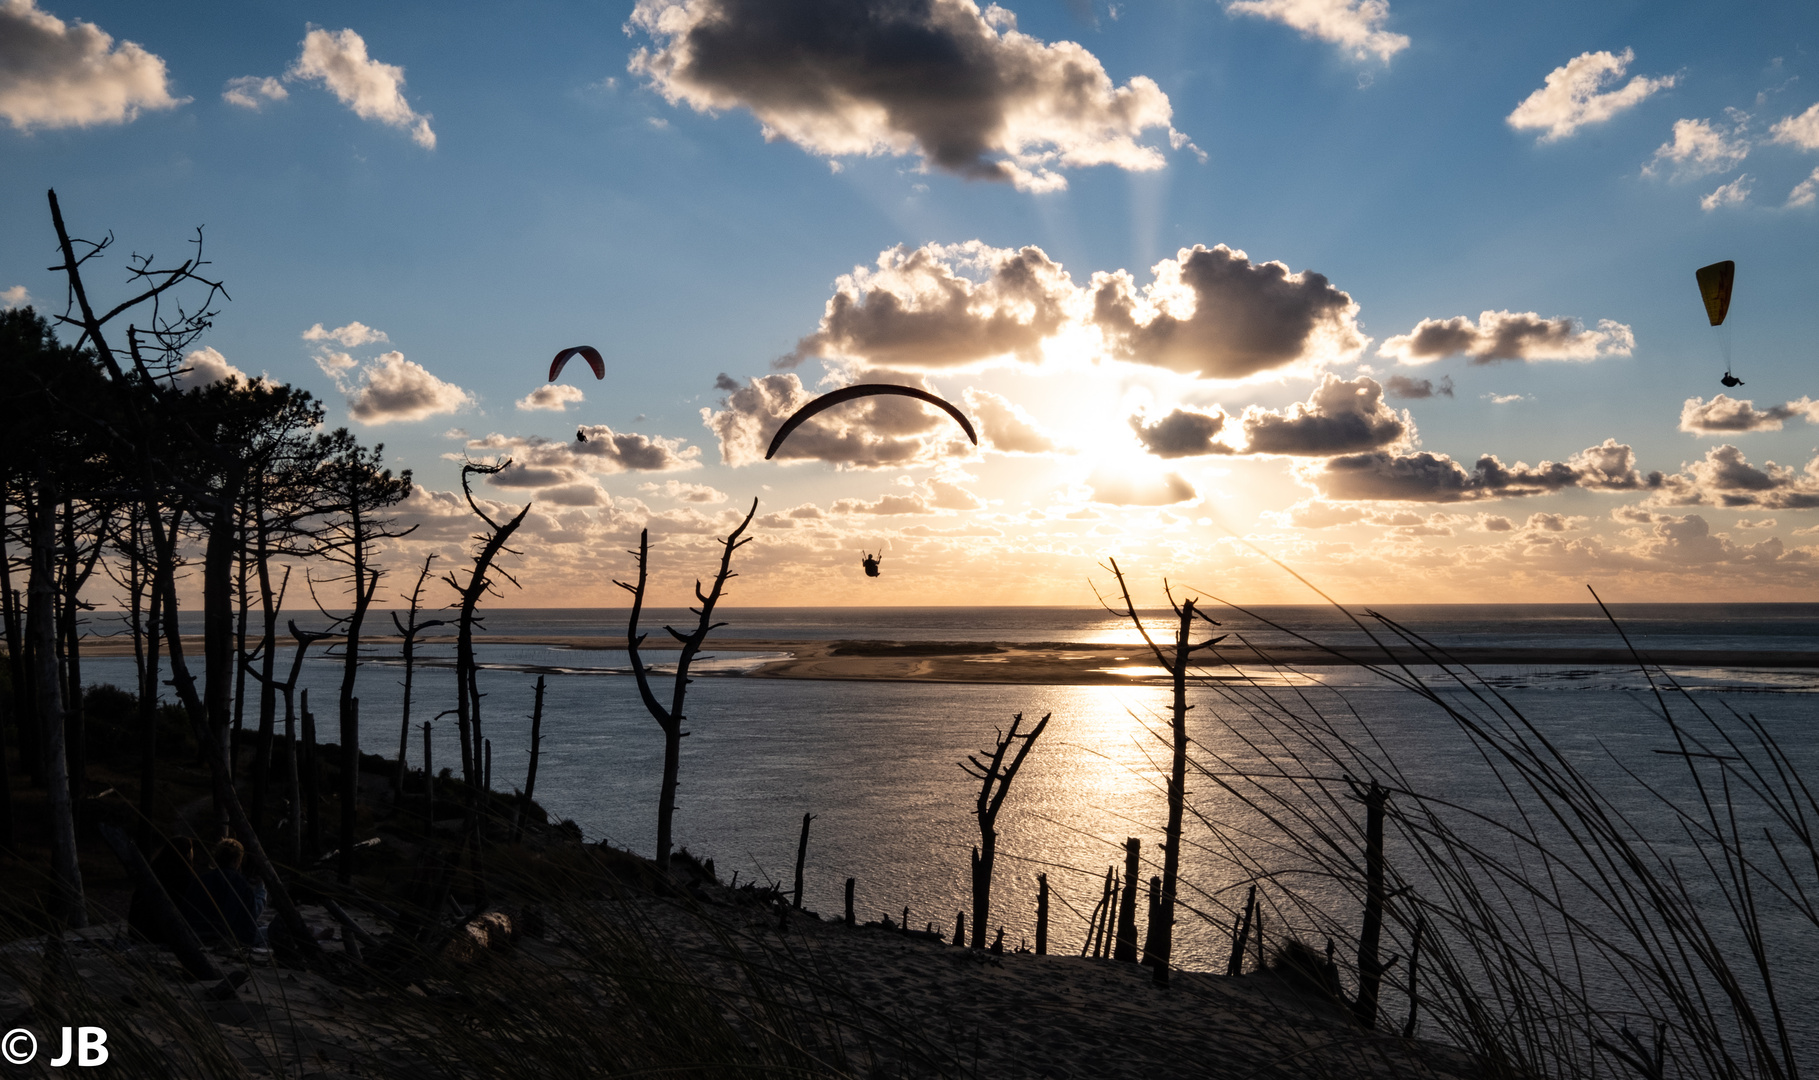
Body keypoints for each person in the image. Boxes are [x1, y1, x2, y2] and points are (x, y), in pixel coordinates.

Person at [184, 838, 267, 947]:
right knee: (270, 931)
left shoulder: (202, 880)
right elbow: (252, 914)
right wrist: (261, 889)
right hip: (231, 938)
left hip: (198, 934)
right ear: (237, 860)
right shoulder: (239, 883)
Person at [127, 837, 200, 944]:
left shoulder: (152, 872)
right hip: (168, 935)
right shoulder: (186, 879)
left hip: (140, 932)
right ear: (188, 853)